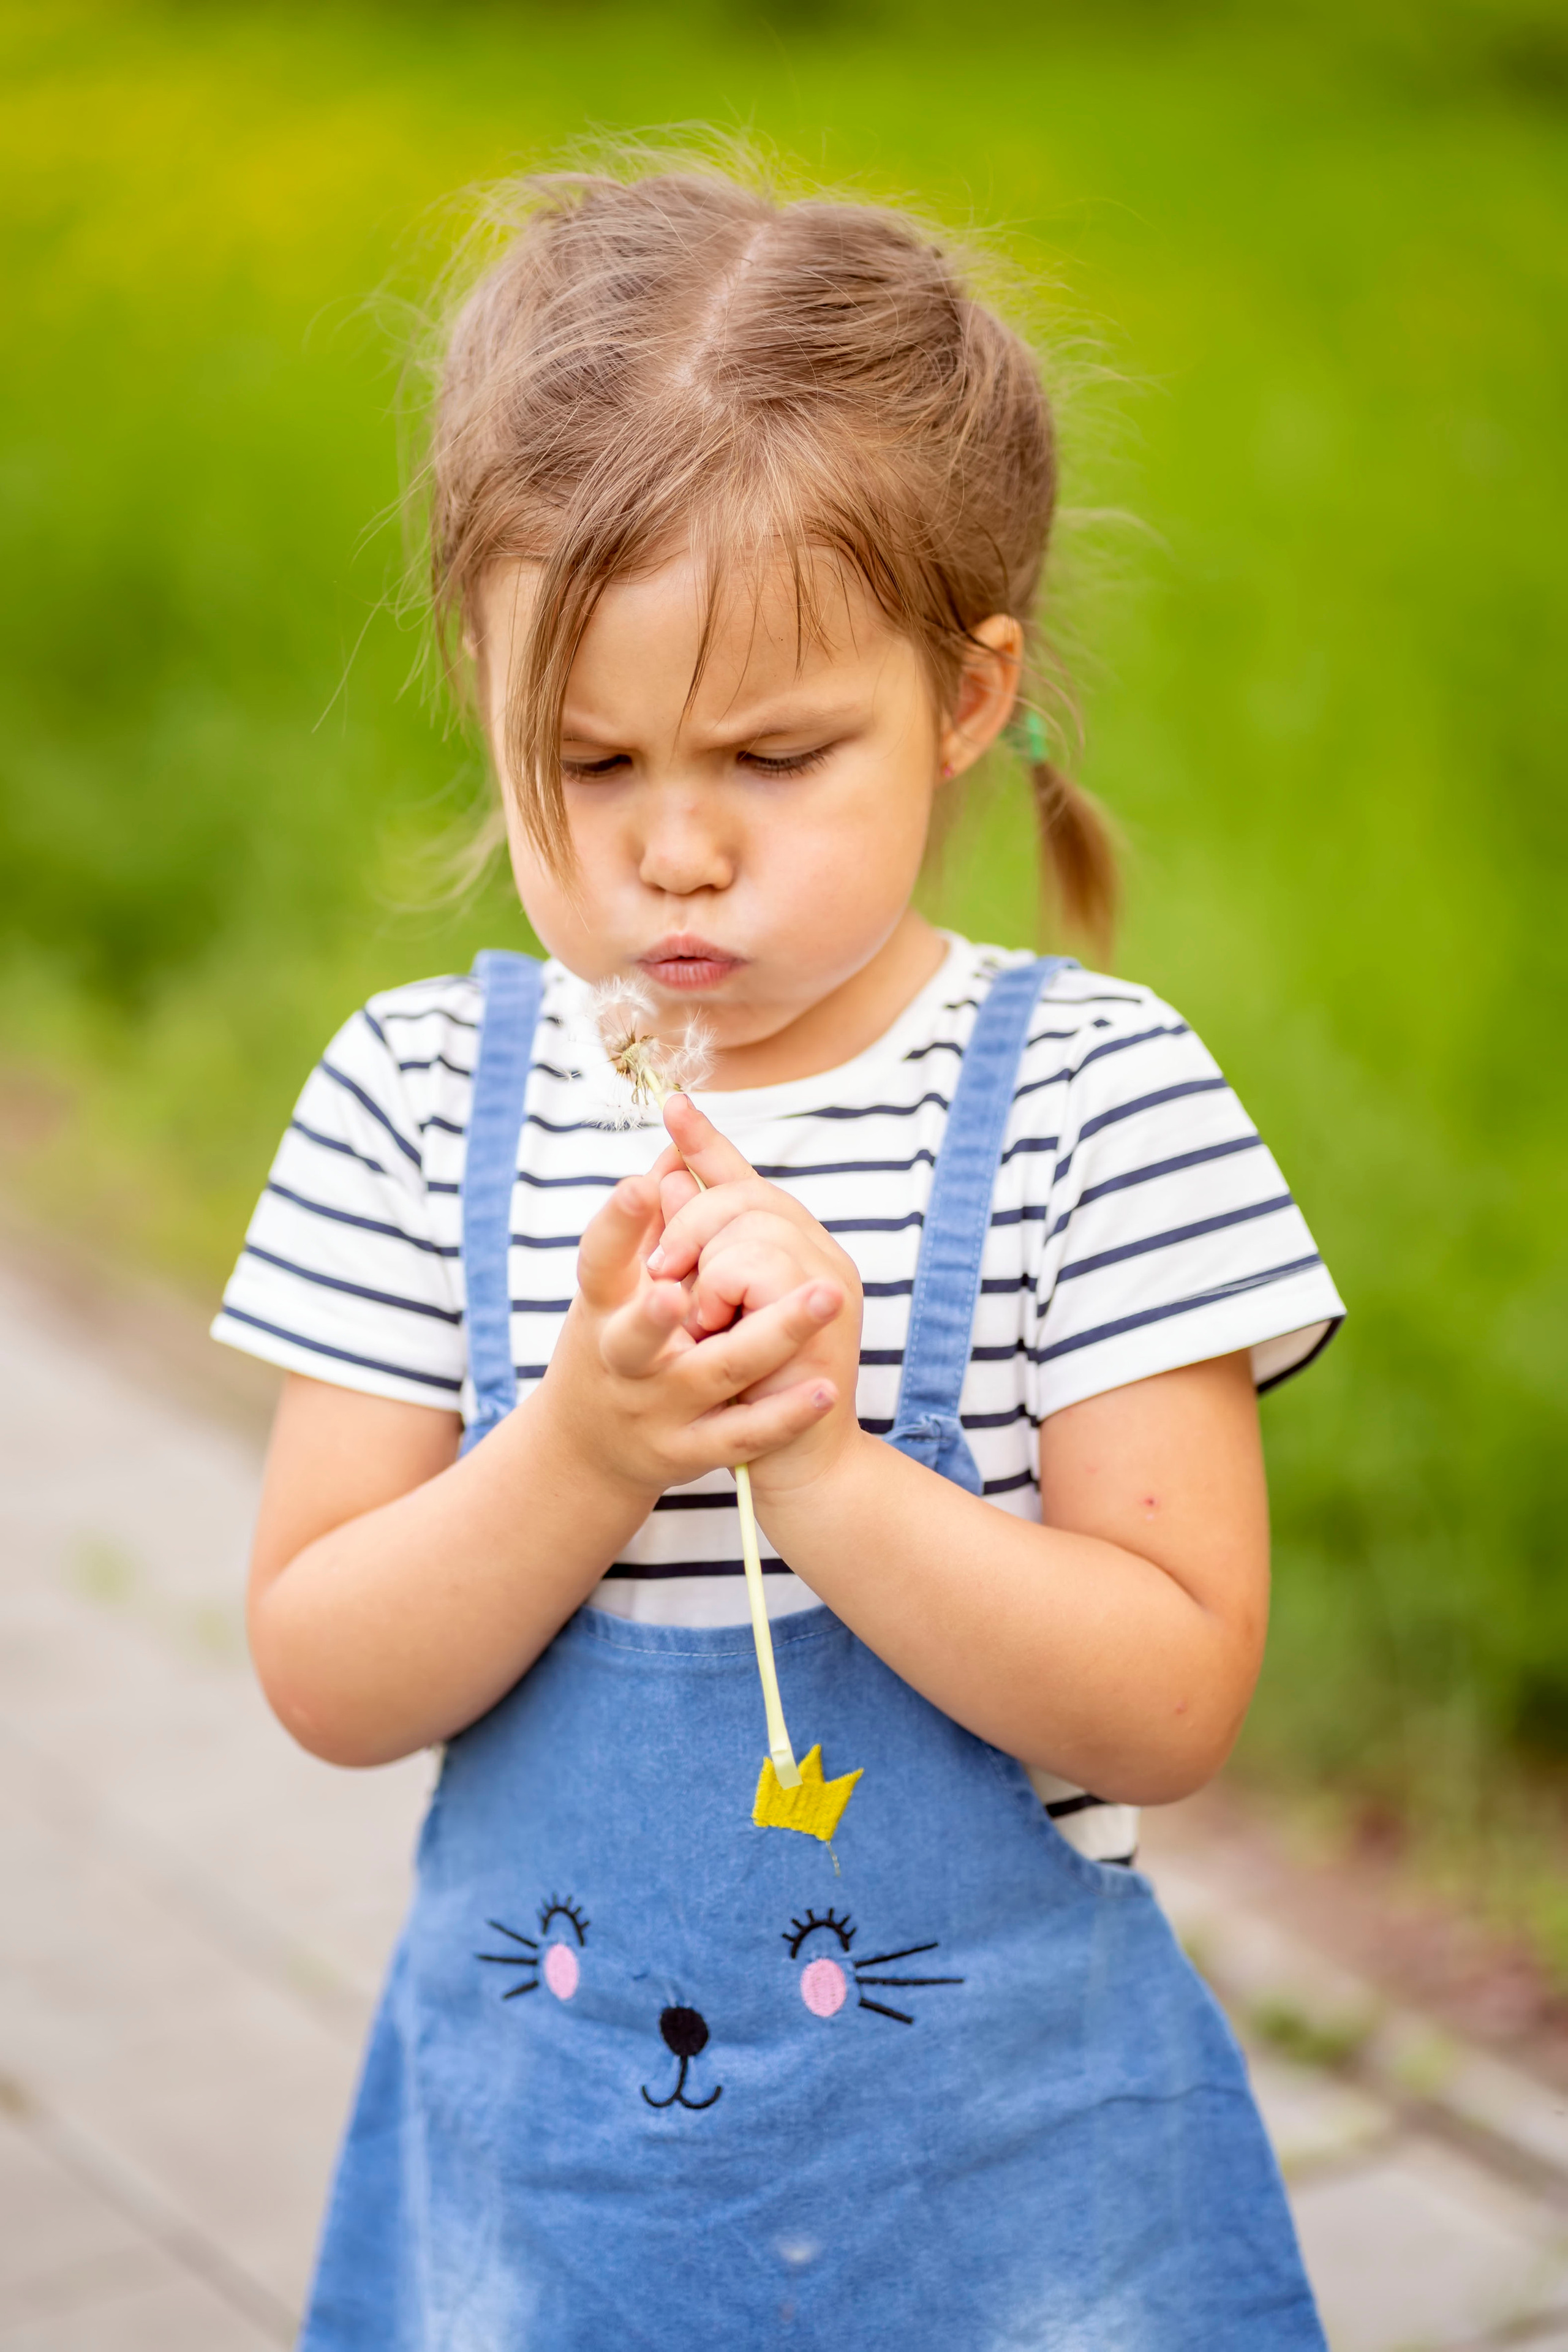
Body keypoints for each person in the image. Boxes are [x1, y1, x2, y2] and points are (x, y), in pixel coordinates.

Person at [214, 159, 1343, 2350]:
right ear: (486, 685)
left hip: (1009, 2228)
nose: (675, 846)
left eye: (774, 753)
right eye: (591, 756)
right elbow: (326, 1671)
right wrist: (582, 1446)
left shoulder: (1096, 1105)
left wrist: (822, 1464)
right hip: (555, 2225)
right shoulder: (420, 1102)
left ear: (963, 693)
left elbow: (1176, 1691)